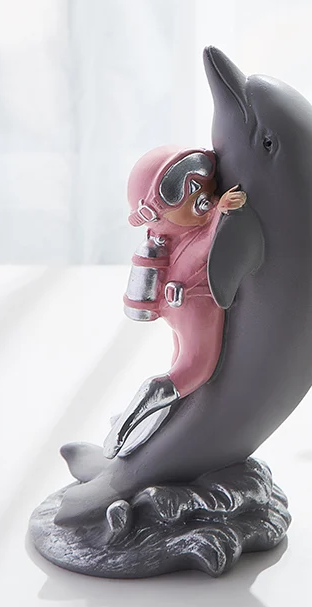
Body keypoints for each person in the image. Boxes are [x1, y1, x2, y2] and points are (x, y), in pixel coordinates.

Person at [104, 146, 246, 459]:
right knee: (197, 368)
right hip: (195, 305)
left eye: (202, 181)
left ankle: (159, 416)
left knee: (180, 359)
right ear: (157, 213)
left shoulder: (168, 236)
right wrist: (220, 212)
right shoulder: (187, 237)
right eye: (179, 192)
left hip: (177, 303)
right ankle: (148, 400)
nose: (202, 196)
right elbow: (205, 247)